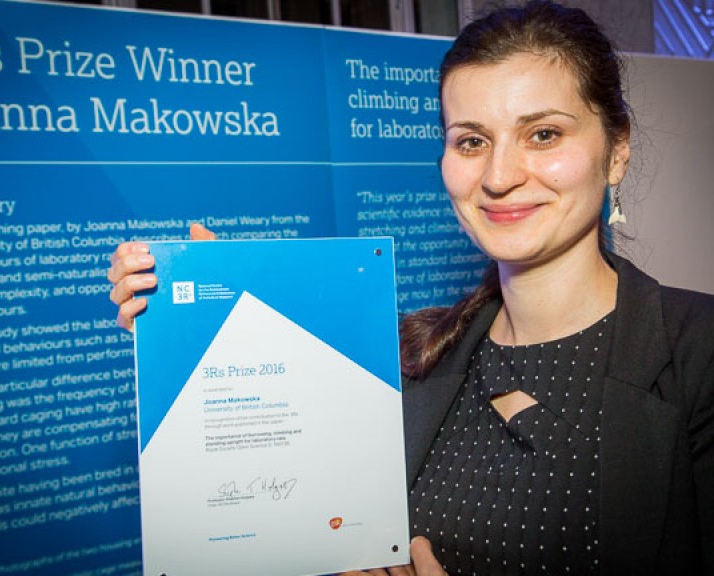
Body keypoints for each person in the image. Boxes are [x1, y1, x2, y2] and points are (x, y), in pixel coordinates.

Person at [108, 1, 714, 573]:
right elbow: (281, 512)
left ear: (616, 152)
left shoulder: (697, 355)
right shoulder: (408, 357)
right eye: (472, 141)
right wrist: (190, 335)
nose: (499, 176)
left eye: (544, 135)